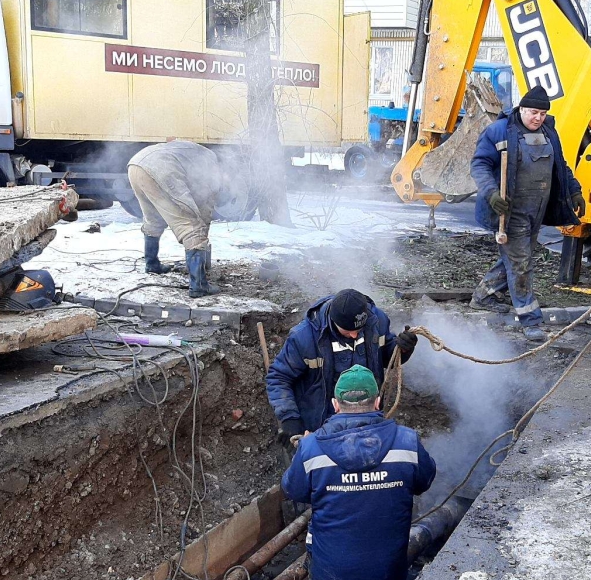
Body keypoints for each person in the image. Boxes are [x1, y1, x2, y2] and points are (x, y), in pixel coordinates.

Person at [282, 365, 436, 580]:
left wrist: (304, 452)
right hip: (389, 568)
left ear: (335, 405)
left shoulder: (311, 448)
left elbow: (293, 490)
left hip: (331, 570)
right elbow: (424, 481)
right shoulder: (407, 442)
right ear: (377, 402)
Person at [469, 85, 586, 341]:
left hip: (537, 210)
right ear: (521, 109)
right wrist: (491, 194)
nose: (538, 118)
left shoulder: (549, 132)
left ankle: (483, 296)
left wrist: (574, 191)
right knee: (521, 264)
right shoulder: (499, 131)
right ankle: (530, 320)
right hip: (510, 212)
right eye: (534, 112)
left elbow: (561, 166)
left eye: (543, 114)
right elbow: (479, 164)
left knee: (515, 258)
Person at [266, 289, 418, 441]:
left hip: (368, 420)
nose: (354, 335)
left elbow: (387, 358)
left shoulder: (377, 321)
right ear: (334, 321)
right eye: (348, 331)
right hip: (320, 426)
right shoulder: (304, 338)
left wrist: (403, 349)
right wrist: (290, 418)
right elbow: (279, 377)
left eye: (359, 330)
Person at [127, 141, 235, 298]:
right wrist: (201, 236)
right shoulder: (212, 166)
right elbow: (203, 204)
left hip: (137, 164)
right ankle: (198, 285)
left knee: (153, 219)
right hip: (161, 169)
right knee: (191, 227)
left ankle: (152, 264)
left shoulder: (200, 153)